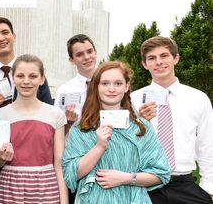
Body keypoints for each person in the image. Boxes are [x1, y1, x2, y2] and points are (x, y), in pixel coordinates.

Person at [62, 61, 170, 204]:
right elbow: (70, 175)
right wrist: (99, 147)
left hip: (133, 199)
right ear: (96, 87)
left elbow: (161, 173)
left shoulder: (142, 127)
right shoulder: (81, 128)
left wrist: (126, 178)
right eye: (105, 83)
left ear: (126, 87)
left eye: (118, 83)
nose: (111, 89)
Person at [130, 36, 213, 203]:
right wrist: (139, 123)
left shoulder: (198, 98)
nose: (159, 62)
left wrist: (208, 188)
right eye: (152, 58)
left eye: (164, 55)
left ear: (176, 58)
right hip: (145, 187)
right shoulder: (133, 99)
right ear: (144, 64)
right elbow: (123, 145)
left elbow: (207, 145)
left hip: (186, 186)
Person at [0, 54, 68, 204]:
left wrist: (64, 200)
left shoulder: (56, 114)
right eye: (20, 76)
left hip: (47, 187)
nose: (26, 81)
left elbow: (59, 165)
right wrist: (1, 159)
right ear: (13, 77)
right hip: (9, 189)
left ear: (42, 79)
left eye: (33, 76)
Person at [0, 17, 53, 108]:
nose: (1, 38)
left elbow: (48, 108)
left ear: (14, 36)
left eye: (5, 32)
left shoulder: (34, 72)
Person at [54, 34, 97, 134]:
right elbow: (56, 129)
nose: (86, 57)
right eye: (79, 54)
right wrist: (68, 123)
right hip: (75, 147)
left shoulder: (110, 86)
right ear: (71, 60)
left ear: (95, 52)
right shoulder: (64, 90)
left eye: (89, 51)